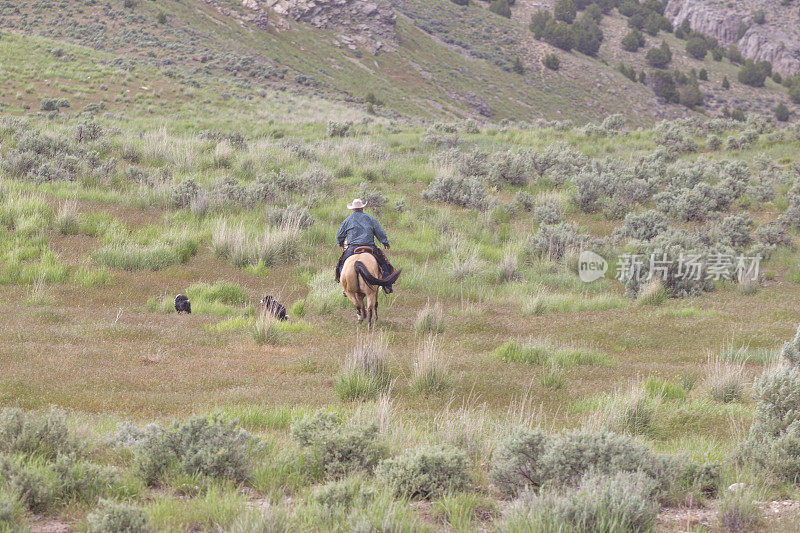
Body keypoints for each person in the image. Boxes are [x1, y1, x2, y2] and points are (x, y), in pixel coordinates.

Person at [335, 198, 395, 293]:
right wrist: (385, 242)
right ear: (362, 208)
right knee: (384, 263)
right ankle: (388, 286)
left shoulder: (347, 220)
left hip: (352, 248)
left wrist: (340, 243)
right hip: (369, 247)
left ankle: (345, 286)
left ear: (353, 209)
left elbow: (340, 235)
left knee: (341, 264)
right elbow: (380, 232)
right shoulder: (370, 218)